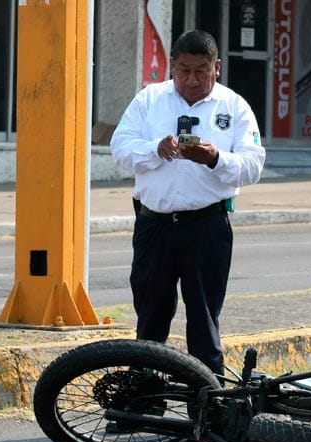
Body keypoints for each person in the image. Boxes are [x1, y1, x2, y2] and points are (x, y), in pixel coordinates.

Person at [110, 30, 265, 374]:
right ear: (172, 67)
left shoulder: (234, 106)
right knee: (150, 319)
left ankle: (207, 410)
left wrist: (215, 158)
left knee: (204, 323)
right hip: (155, 225)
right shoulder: (150, 100)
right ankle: (144, 401)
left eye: (201, 71)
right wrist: (155, 149)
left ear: (217, 68)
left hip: (207, 227)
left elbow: (253, 165)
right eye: (184, 71)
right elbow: (119, 148)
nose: (192, 80)